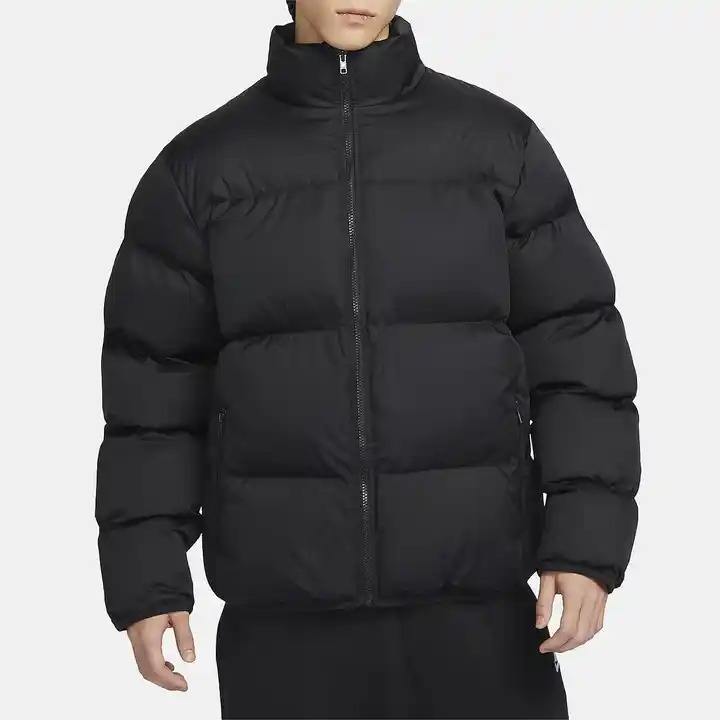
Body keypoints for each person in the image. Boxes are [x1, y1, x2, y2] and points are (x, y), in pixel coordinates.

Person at [95, 1, 641, 717]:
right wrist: (149, 574)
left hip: (479, 616)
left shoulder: (496, 147)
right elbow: (151, 392)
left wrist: (583, 544)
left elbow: (579, 354)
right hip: (285, 625)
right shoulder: (202, 170)